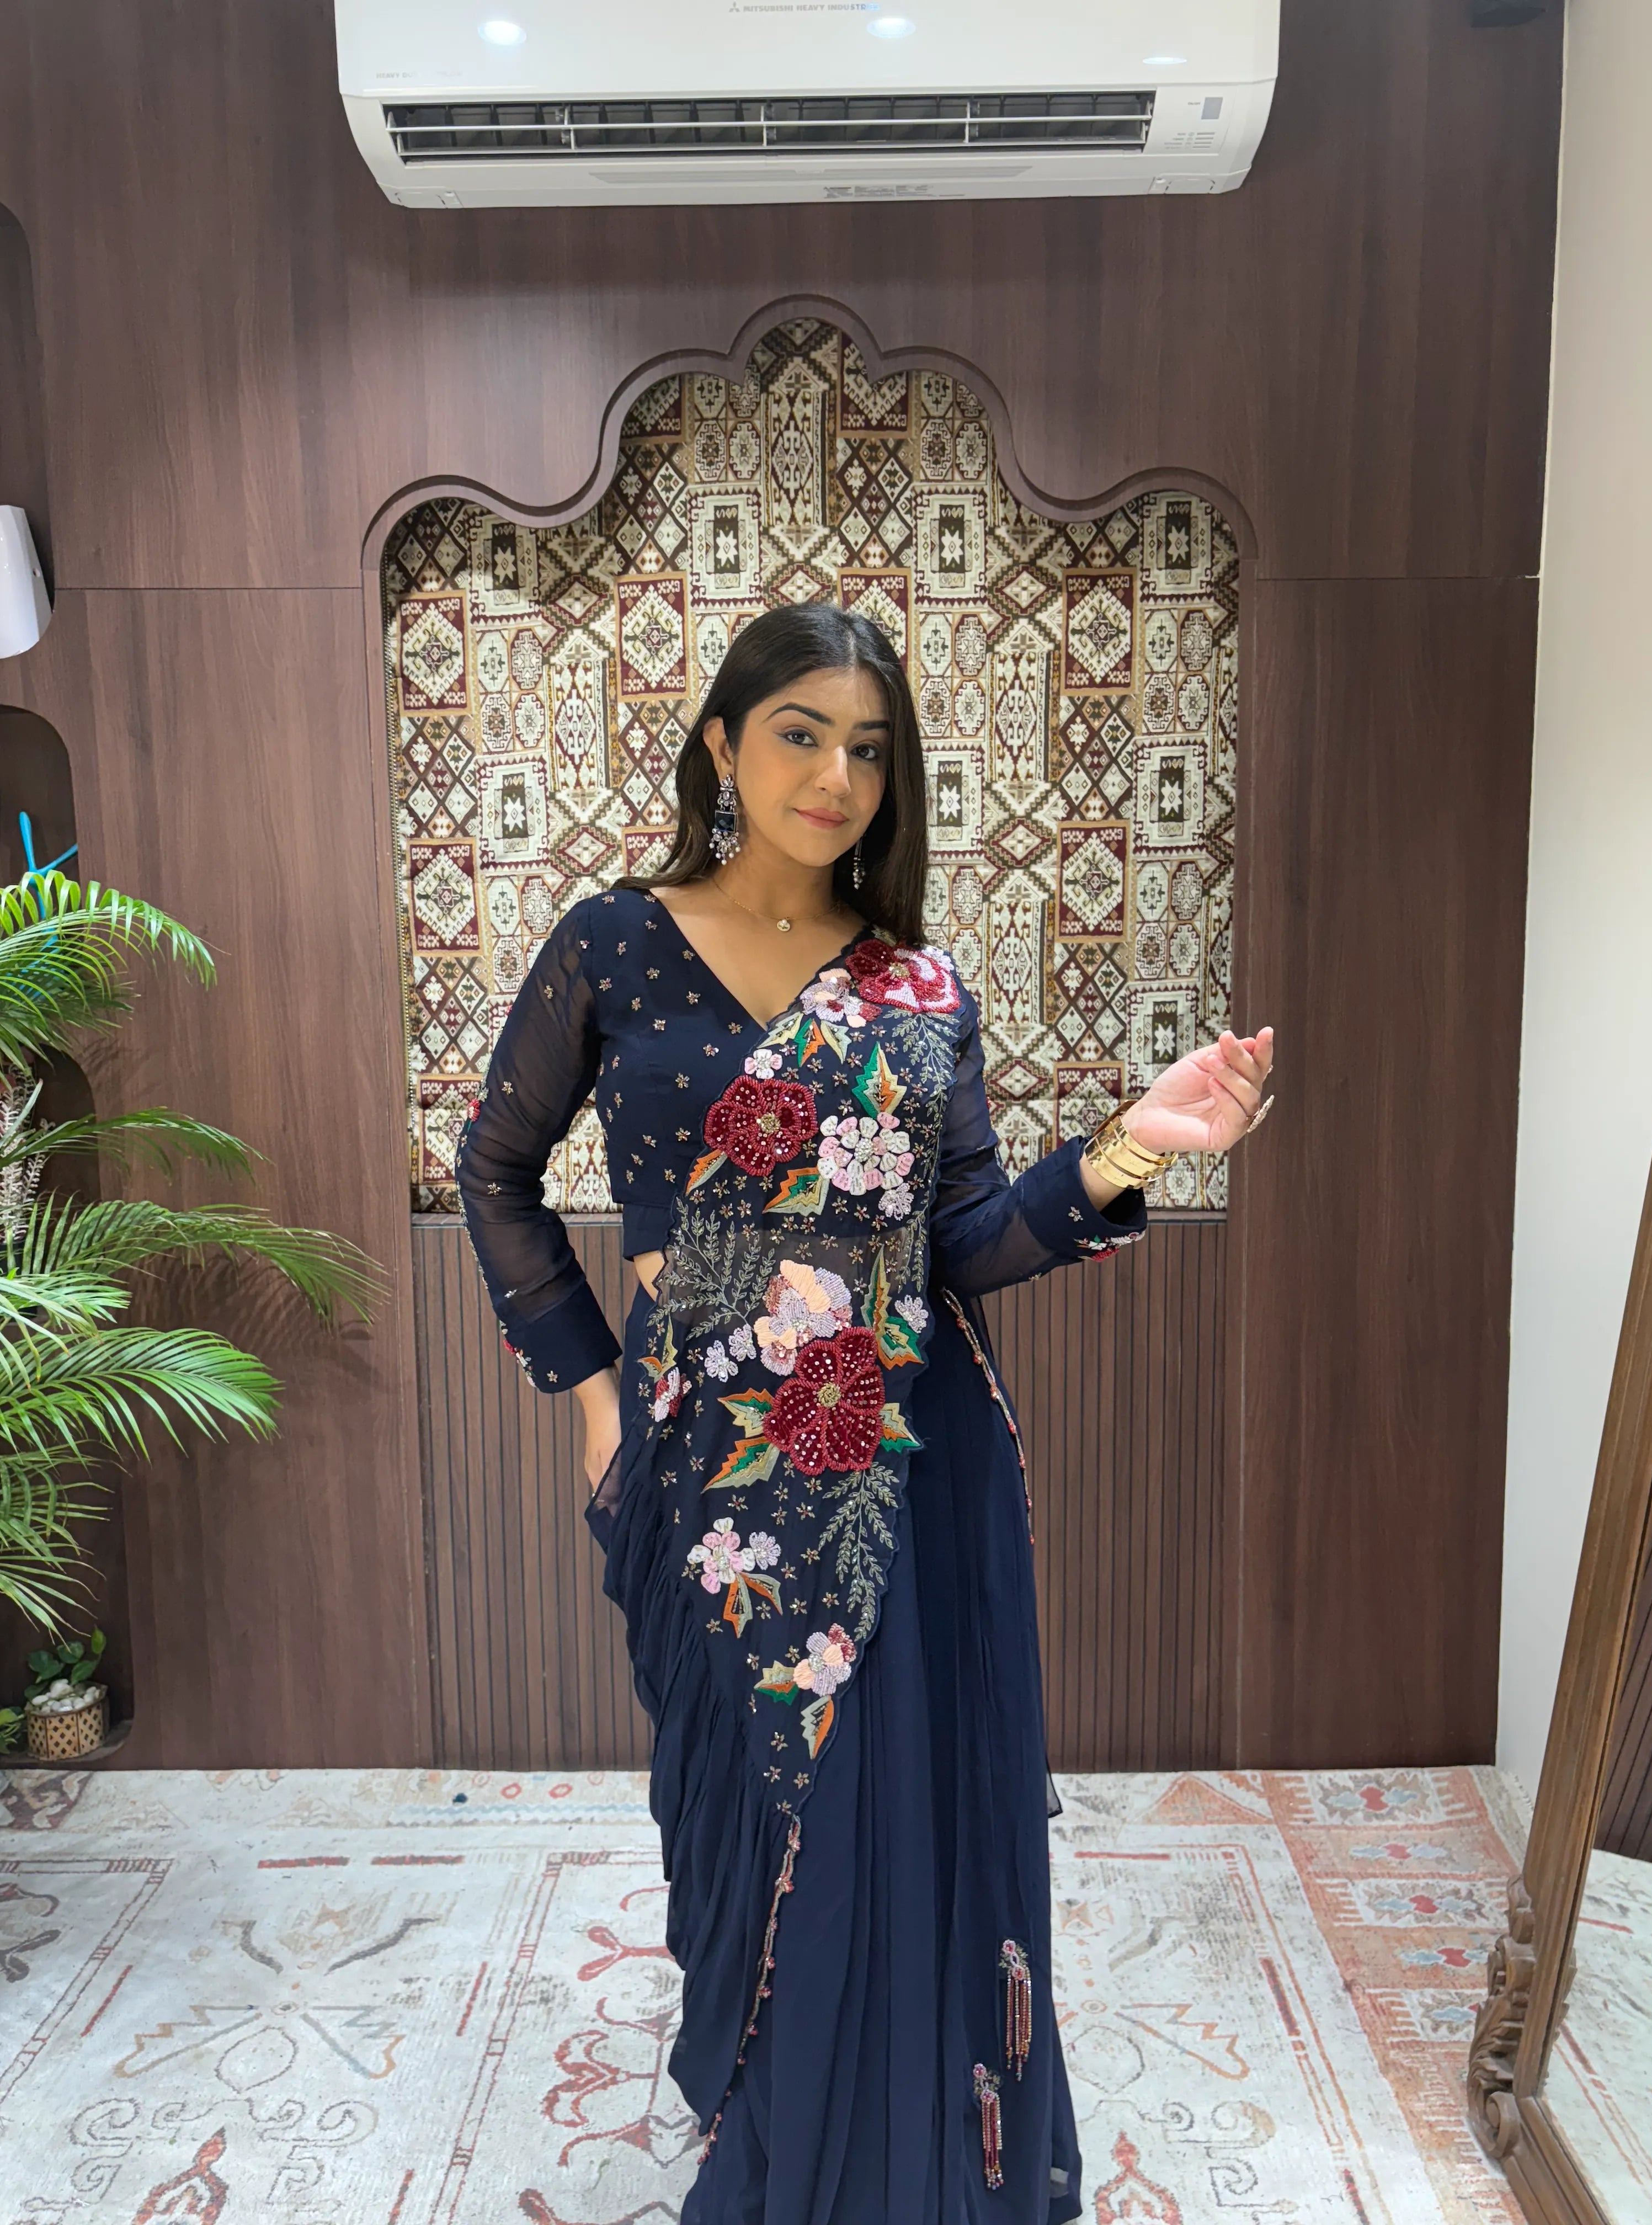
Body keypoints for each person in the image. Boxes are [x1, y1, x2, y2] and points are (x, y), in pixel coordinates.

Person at [456, 602, 1274, 2224]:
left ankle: (878, 2150)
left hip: (884, 1445)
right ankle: (765, 2087)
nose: (838, 775)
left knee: (877, 1819)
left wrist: (1128, 1148)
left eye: (872, 748)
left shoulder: (917, 987)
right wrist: (592, 1391)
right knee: (743, 1811)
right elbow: (495, 1168)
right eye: (801, 735)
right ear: (724, 746)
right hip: (701, 1452)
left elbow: (962, 1237)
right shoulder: (614, 943)